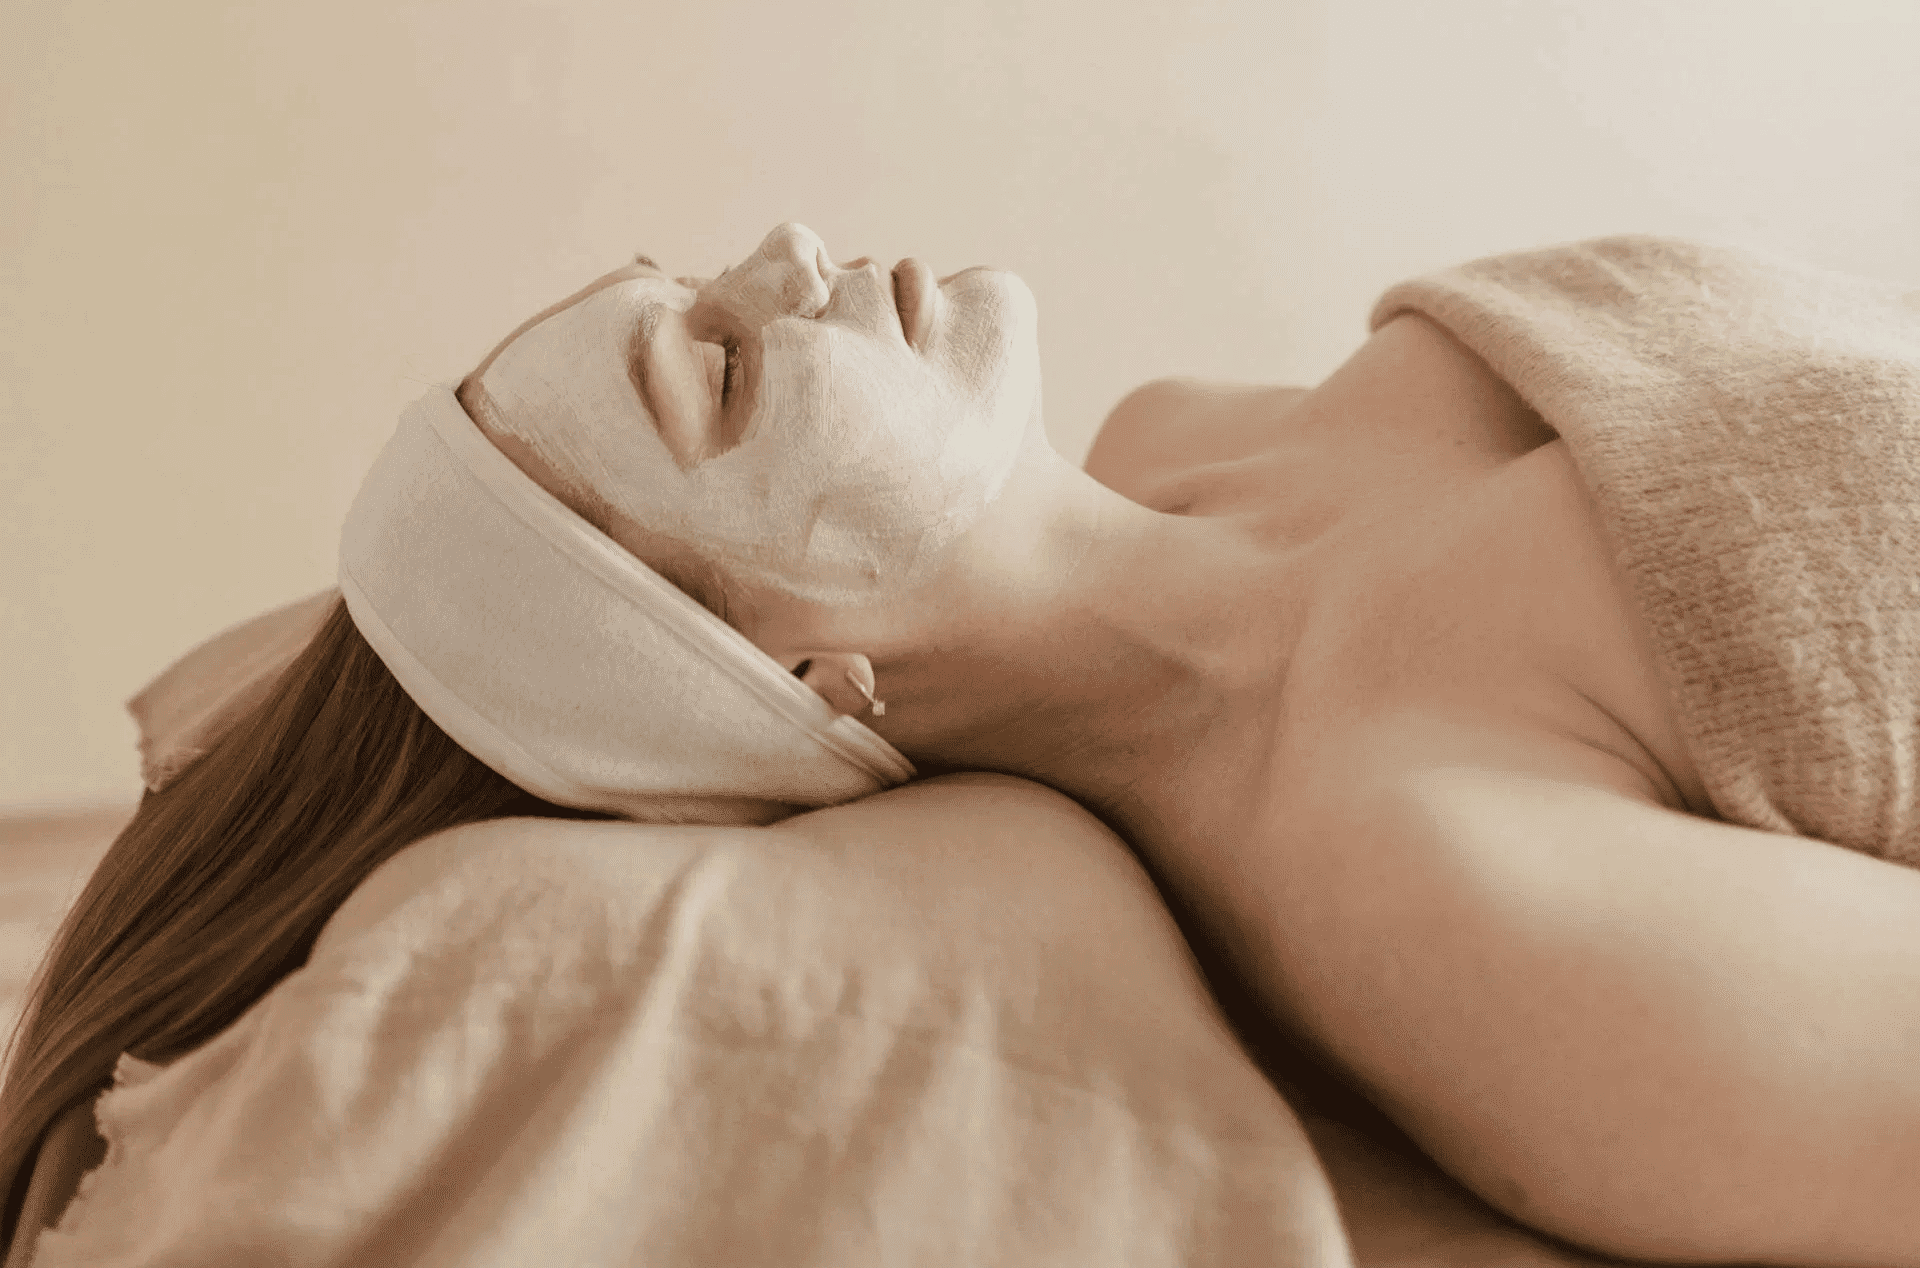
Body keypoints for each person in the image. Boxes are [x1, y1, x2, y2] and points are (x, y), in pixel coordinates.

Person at [6, 220, 1920, 1266]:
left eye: (688, 280)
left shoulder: (1204, 428)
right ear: (798, 675)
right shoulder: (1425, 873)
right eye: (717, 370)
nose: (784, 250)